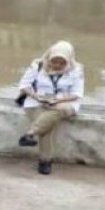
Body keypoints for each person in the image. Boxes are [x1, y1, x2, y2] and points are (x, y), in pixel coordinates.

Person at [16, 40, 85, 175]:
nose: (57, 65)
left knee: (57, 110)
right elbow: (24, 85)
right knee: (47, 126)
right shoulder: (38, 64)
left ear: (69, 60)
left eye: (62, 62)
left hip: (65, 103)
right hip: (37, 101)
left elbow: (77, 94)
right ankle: (45, 161)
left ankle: (30, 134)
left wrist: (58, 100)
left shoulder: (77, 70)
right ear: (49, 57)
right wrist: (37, 97)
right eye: (54, 61)